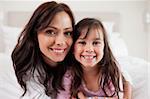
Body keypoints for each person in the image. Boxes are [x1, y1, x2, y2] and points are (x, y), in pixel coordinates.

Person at [11, 1, 75, 99]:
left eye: (67, 33)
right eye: (50, 32)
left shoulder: (79, 61)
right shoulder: (28, 66)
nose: (60, 42)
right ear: (35, 35)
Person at [57, 18, 132, 99]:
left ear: (104, 47)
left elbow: (118, 97)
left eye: (96, 43)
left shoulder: (111, 72)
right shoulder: (69, 75)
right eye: (82, 42)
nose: (89, 49)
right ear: (72, 48)